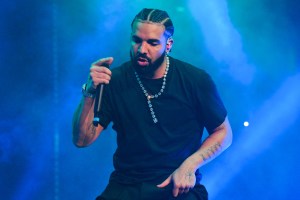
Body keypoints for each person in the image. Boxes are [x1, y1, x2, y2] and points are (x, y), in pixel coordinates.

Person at [72, 8, 232, 200]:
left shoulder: (195, 80)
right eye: (137, 40)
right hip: (126, 186)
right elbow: (82, 140)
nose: (142, 49)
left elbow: (223, 132)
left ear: (169, 44)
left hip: (176, 186)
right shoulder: (114, 81)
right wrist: (89, 92)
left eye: (152, 43)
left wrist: (190, 165)